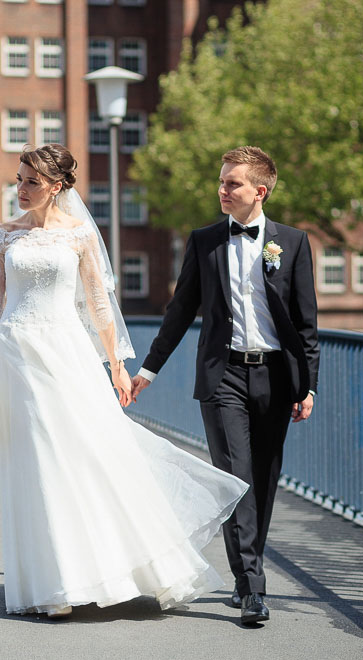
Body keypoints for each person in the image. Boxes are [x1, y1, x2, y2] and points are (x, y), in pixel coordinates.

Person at [0, 144, 249, 619]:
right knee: (33, 460)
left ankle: (129, 563)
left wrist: (116, 364)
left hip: (66, 352)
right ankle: (53, 583)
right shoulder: (3, 235)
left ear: (56, 187)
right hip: (16, 356)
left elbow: (98, 303)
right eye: (19, 179)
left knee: (89, 451)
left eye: (32, 181)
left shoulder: (77, 236)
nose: (21, 189)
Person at [131, 146, 320, 625]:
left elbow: (305, 324)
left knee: (264, 480)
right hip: (223, 376)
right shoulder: (205, 241)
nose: (222, 190)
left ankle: (243, 577)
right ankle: (254, 587)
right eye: (221, 181)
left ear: (260, 191)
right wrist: (147, 370)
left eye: (232, 183)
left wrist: (307, 387)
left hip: (277, 376)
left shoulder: (293, 243)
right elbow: (179, 312)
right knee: (237, 480)